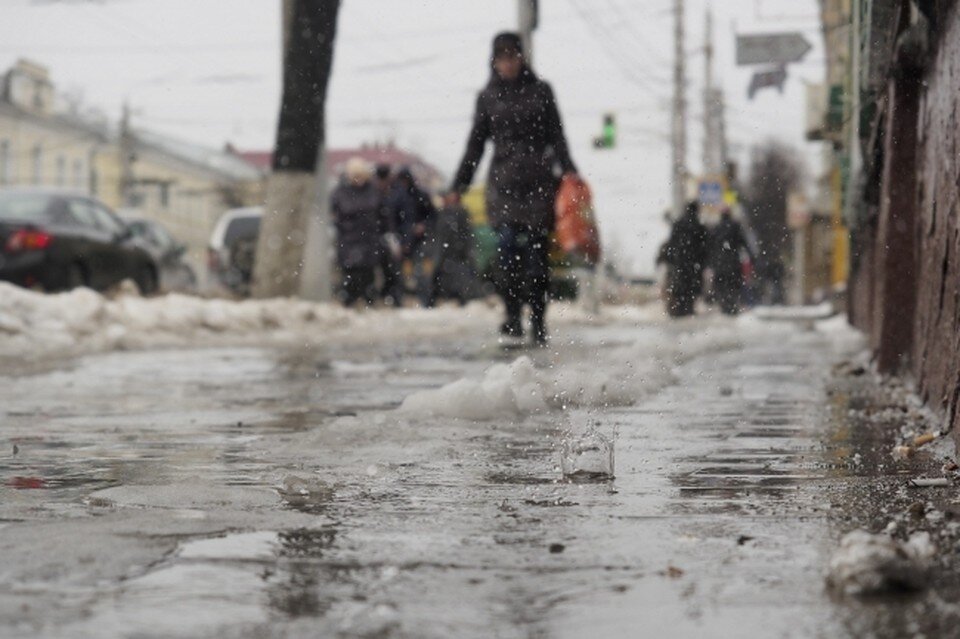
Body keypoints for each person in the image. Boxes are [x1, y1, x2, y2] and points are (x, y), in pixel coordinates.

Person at [451, 31, 578, 345]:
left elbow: (557, 135)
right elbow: (476, 144)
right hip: (504, 183)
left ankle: (537, 319)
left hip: (538, 182)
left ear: (522, 58)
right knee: (506, 250)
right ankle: (511, 315)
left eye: (512, 56)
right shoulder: (488, 97)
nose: (507, 63)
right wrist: (459, 184)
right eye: (501, 57)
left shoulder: (541, 91)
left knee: (536, 254)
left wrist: (570, 172)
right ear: (493, 61)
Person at [330, 157, 384, 307]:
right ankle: (349, 301)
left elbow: (382, 213)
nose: (358, 179)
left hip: (369, 239)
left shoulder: (374, 191)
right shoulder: (340, 192)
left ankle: (369, 301)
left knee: (368, 273)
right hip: (349, 240)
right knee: (350, 274)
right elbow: (334, 213)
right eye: (355, 176)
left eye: (361, 175)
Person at [387, 167, 436, 306]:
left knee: (420, 273)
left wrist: (424, 226)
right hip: (402, 240)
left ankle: (424, 300)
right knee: (400, 274)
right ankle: (400, 301)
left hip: (419, 240)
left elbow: (432, 215)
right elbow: (391, 220)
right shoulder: (396, 197)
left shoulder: (419, 195)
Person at [427, 192, 480, 306]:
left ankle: (463, 298)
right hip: (443, 250)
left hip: (456, 250)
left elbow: (466, 233)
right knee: (440, 274)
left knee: (460, 276)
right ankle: (433, 298)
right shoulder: (442, 213)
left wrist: (466, 249)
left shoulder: (460, 212)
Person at [659, 201, 708, 317]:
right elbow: (704, 247)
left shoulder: (678, 224)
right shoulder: (699, 226)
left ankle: (679, 310)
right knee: (691, 291)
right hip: (694, 264)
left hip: (679, 263)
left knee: (679, 289)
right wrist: (703, 263)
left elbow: (671, 244)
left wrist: (670, 260)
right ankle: (689, 310)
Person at [709, 207, 754, 315]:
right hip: (733, 262)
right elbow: (744, 243)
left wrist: (710, 262)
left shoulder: (716, 228)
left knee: (721, 286)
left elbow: (709, 247)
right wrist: (752, 257)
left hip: (719, 264)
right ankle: (732, 305)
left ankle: (724, 305)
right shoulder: (735, 227)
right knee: (733, 285)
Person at [374, 163, 403, 306]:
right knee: (385, 270)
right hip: (378, 236)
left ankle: (393, 298)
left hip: (391, 235)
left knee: (392, 270)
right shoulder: (377, 193)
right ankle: (385, 296)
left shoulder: (394, 192)